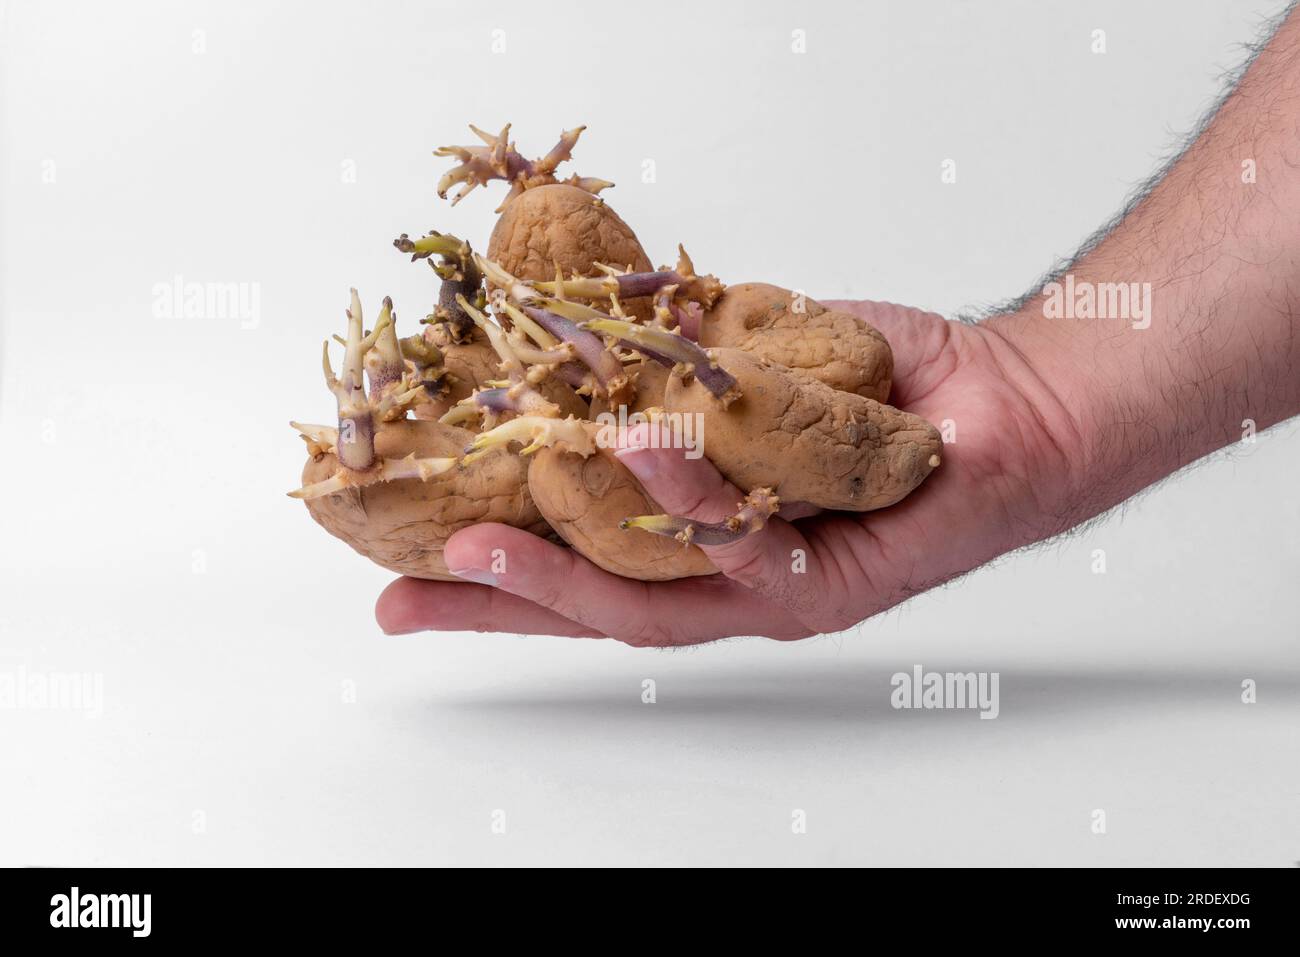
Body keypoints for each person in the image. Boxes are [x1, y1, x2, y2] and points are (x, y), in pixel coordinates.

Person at [376, 11, 1300, 646]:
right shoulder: (571, 416)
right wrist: (1039, 396)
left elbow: (839, 373)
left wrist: (1044, 406)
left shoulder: (705, 365)